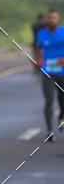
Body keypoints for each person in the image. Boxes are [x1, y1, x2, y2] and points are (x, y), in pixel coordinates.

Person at [34, 8, 64, 141]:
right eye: (49, 18)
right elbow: (38, 48)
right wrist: (38, 60)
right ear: (47, 20)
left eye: (54, 18)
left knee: (62, 103)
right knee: (49, 101)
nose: (52, 20)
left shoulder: (63, 32)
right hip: (48, 72)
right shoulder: (41, 33)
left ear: (58, 20)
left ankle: (61, 118)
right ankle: (49, 131)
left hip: (62, 72)